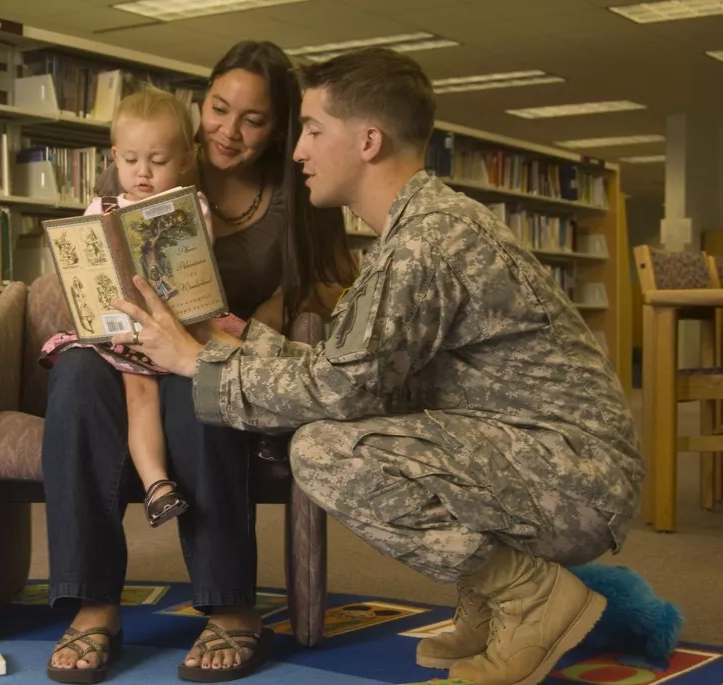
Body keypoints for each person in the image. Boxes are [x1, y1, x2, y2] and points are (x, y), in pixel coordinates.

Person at [108, 46, 644, 685]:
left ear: (367, 141)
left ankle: (531, 596)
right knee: (347, 424)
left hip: (572, 478)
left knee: (328, 451)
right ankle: (491, 597)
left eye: (311, 130)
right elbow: (351, 368)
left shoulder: (423, 245)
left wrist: (198, 360)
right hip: (541, 455)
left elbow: (338, 392)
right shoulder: (417, 225)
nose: (298, 150)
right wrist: (230, 336)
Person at [42, 40, 356, 683]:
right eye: (218, 109)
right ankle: (92, 606)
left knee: (202, 391)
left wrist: (266, 315)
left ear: (280, 129)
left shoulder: (299, 185)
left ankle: (230, 609)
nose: (229, 131)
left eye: (254, 119)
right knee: (75, 378)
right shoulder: (146, 158)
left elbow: (331, 283)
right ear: (199, 105)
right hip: (126, 341)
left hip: (218, 345)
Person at [40, 86, 246, 535]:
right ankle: (157, 487)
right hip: (122, 328)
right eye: (131, 160)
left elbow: (194, 270)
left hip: (175, 327)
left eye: (158, 160)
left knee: (228, 355)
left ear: (185, 160)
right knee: (139, 394)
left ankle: (265, 425)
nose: (144, 173)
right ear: (114, 156)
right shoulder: (99, 207)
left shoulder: (191, 208)